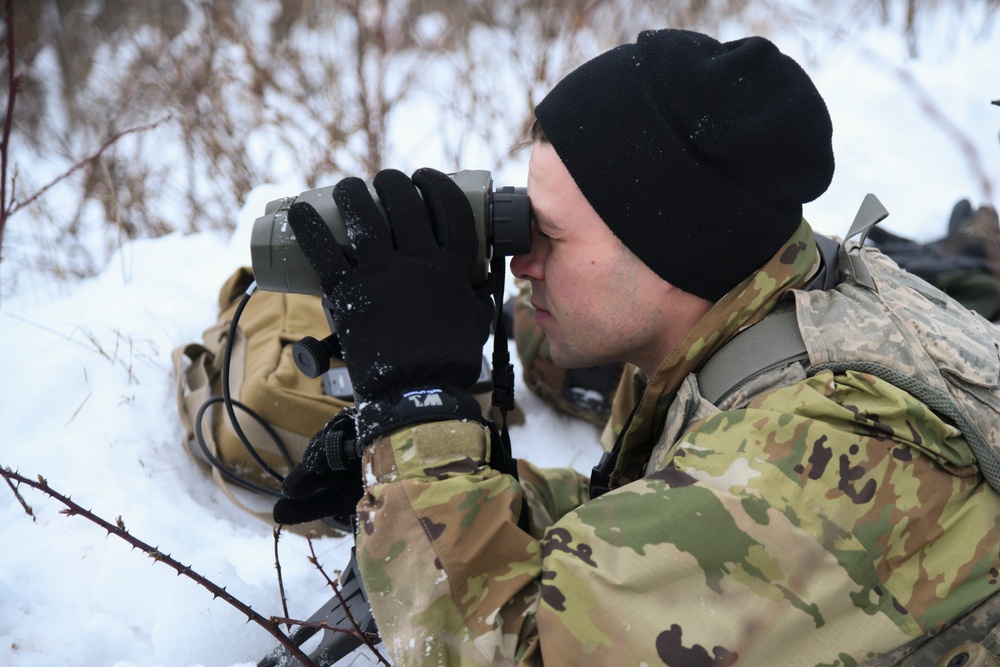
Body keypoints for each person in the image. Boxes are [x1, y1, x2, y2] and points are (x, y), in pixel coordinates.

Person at [275, 29, 1000, 665]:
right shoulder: (764, 314)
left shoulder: (810, 455)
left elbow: (521, 650)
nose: (522, 264)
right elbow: (656, 519)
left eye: (548, 236)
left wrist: (418, 433)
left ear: (672, 245)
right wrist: (428, 475)